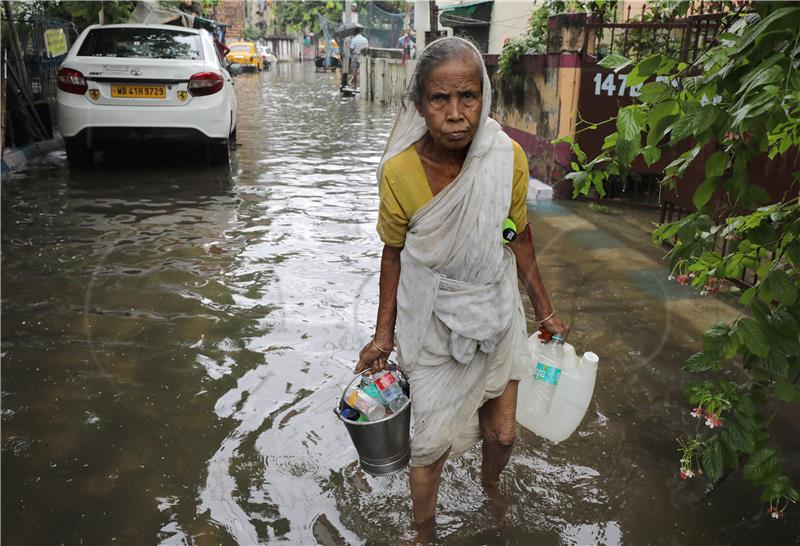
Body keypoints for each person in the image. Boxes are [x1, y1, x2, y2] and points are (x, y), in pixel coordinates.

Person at [354, 36, 569, 537]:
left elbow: (517, 235)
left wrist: (545, 310)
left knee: (504, 433)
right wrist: (382, 337)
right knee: (427, 450)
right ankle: (424, 530)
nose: (456, 114)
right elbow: (393, 252)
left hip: (496, 310)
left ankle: (492, 489)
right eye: (440, 99)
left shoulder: (506, 157)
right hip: (432, 323)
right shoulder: (400, 172)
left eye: (467, 97)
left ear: (484, 97)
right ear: (419, 104)